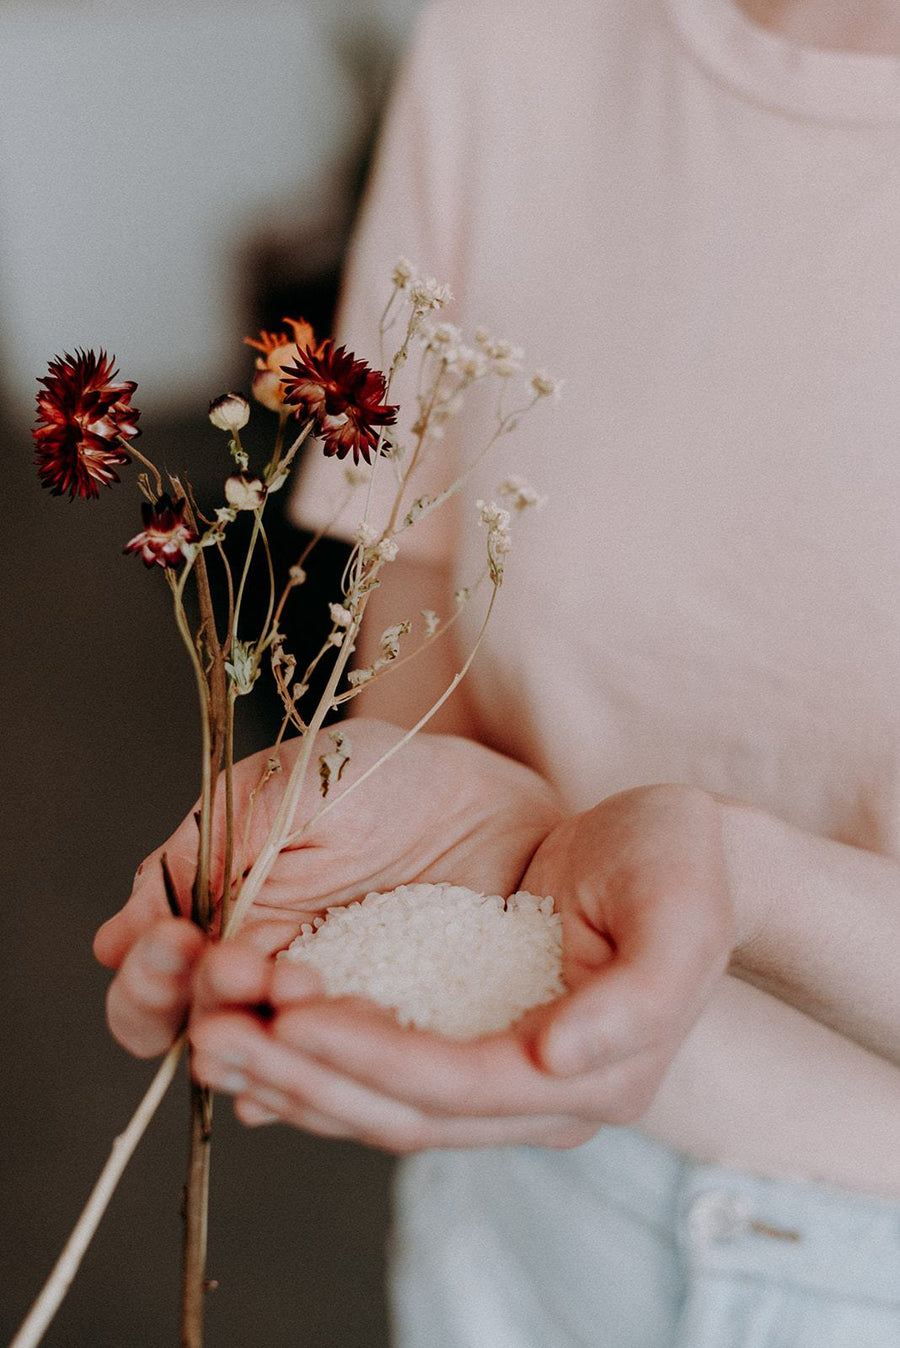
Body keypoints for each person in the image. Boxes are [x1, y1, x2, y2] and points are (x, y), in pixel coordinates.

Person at [93, 0, 900, 1343]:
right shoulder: (508, 35)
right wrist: (411, 803)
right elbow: (418, 562)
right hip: (516, 1189)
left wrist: (746, 888)